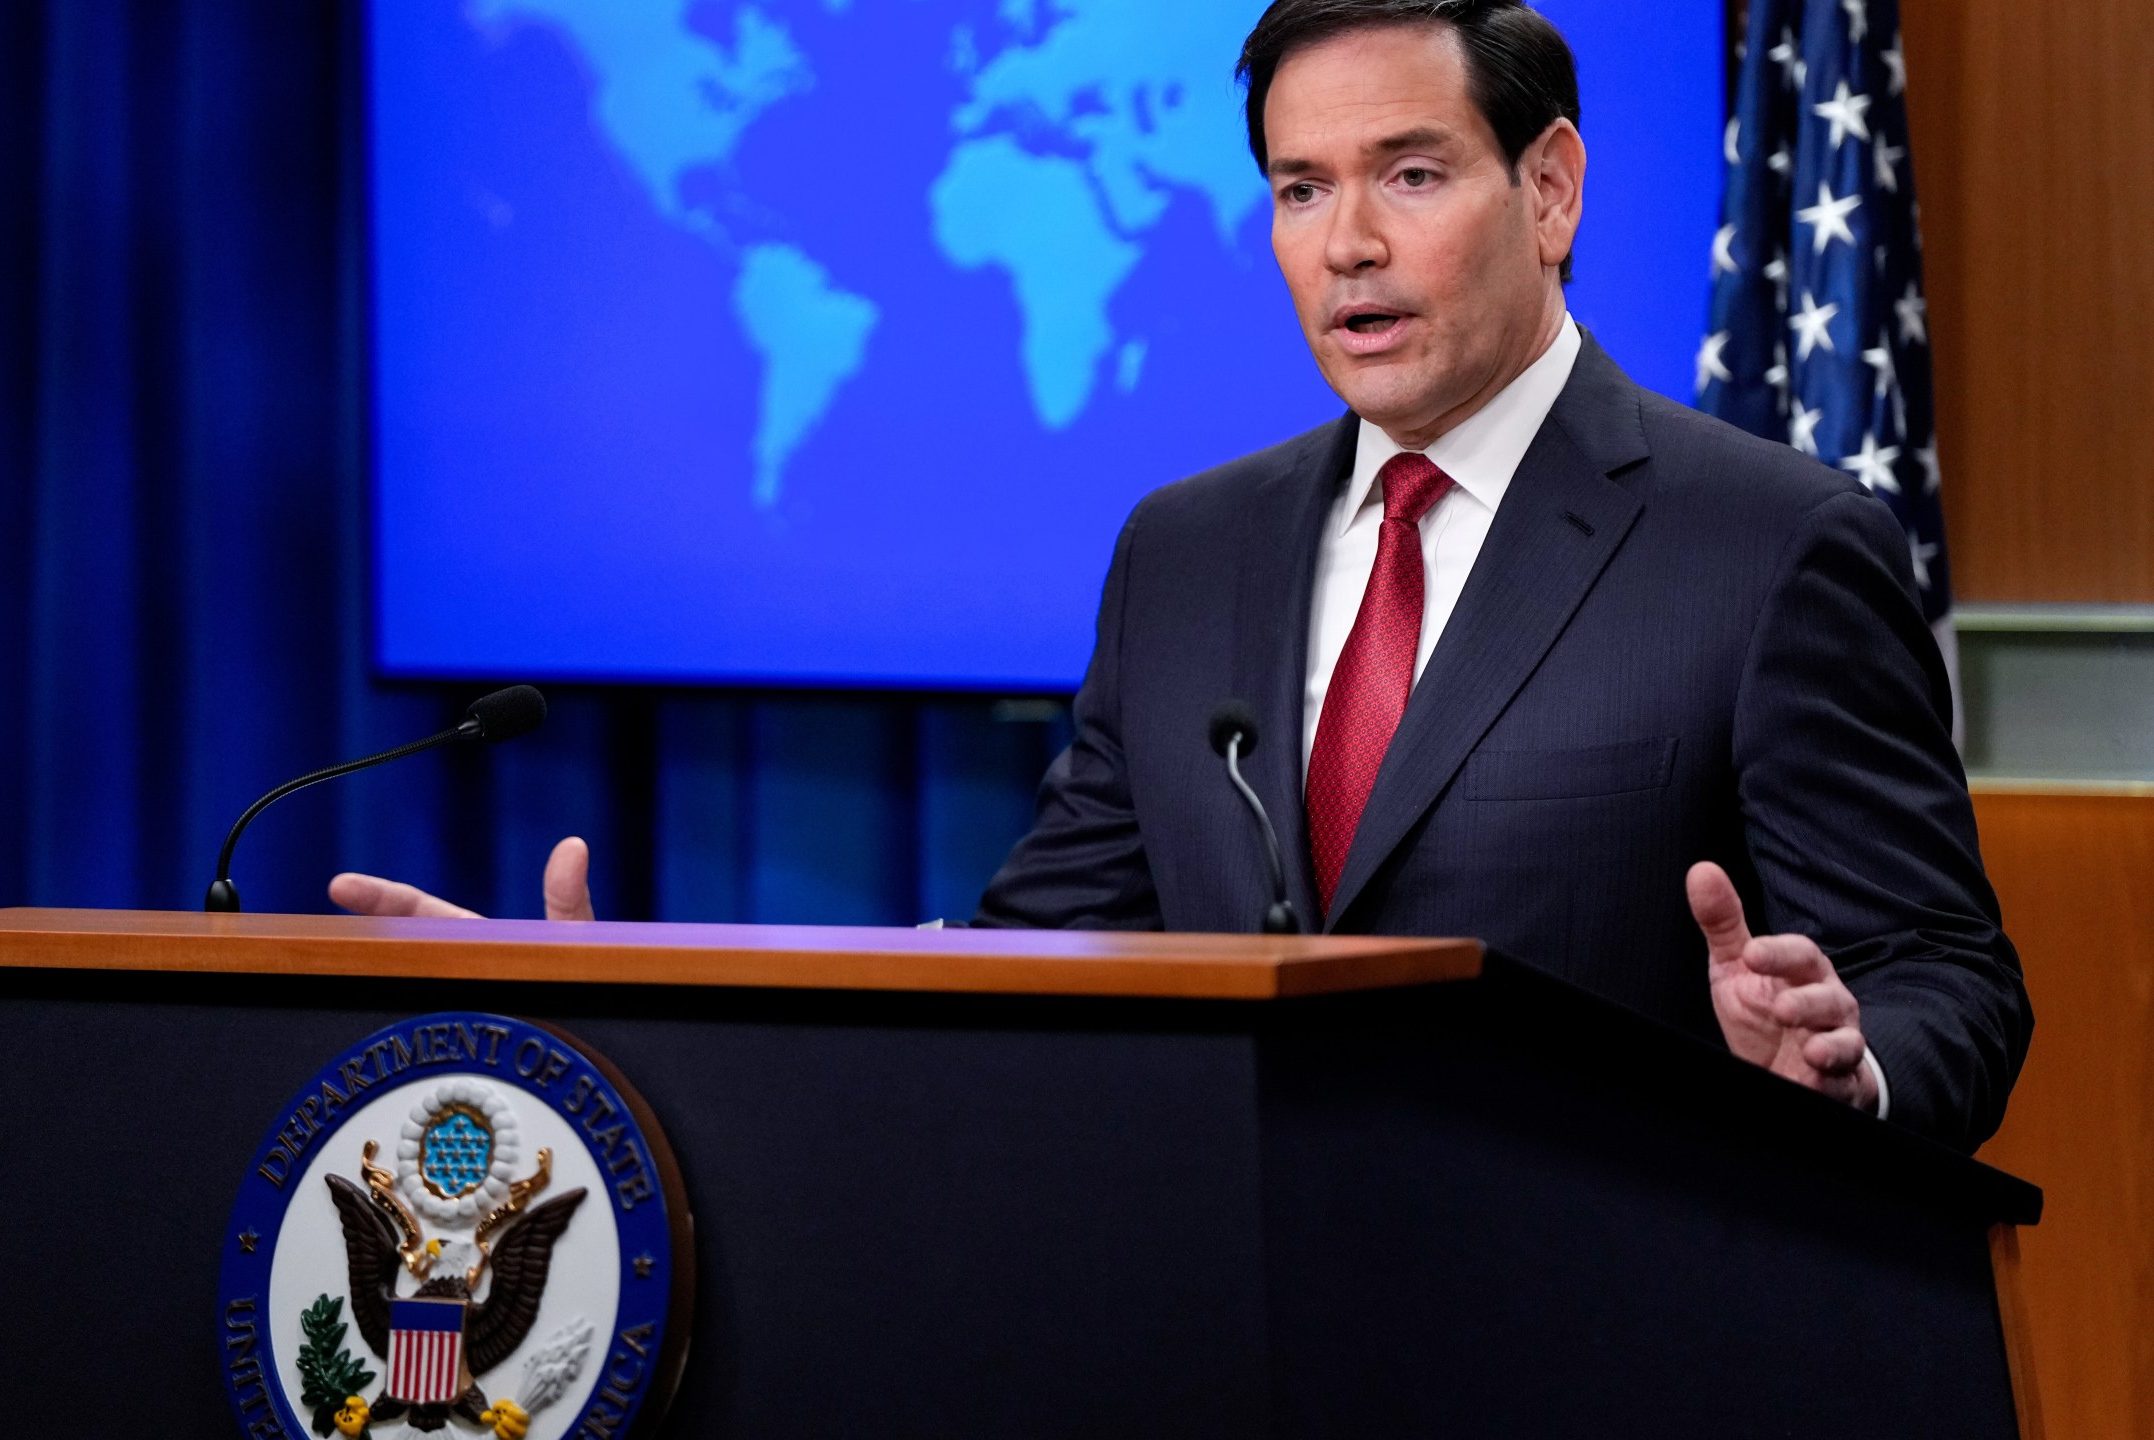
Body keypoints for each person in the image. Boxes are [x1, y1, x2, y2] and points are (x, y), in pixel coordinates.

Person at [335, 0, 2028, 1152]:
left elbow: (1952, 978)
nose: (1345, 242)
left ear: (1553, 186)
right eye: (1301, 189)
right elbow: (1032, 961)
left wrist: (1845, 1062)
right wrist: (636, 996)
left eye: (1409, 175)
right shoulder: (1187, 549)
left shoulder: (1767, 543)